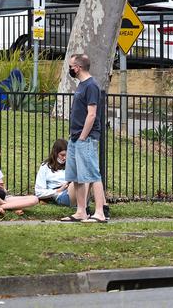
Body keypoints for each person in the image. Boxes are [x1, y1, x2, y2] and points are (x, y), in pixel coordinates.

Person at [60, 54, 107, 223]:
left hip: (85, 138)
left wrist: (82, 137)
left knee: (93, 174)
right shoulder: (81, 85)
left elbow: (92, 114)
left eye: (71, 66)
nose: (70, 69)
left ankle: (100, 212)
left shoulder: (91, 86)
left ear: (78, 67)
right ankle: (81, 211)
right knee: (78, 176)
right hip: (75, 137)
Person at [35, 139, 77, 207]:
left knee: (87, 177)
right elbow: (38, 192)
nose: (65, 158)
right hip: (61, 195)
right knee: (78, 182)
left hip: (75, 190)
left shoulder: (71, 164)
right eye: (62, 155)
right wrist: (59, 190)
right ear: (55, 153)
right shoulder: (45, 167)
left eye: (67, 155)